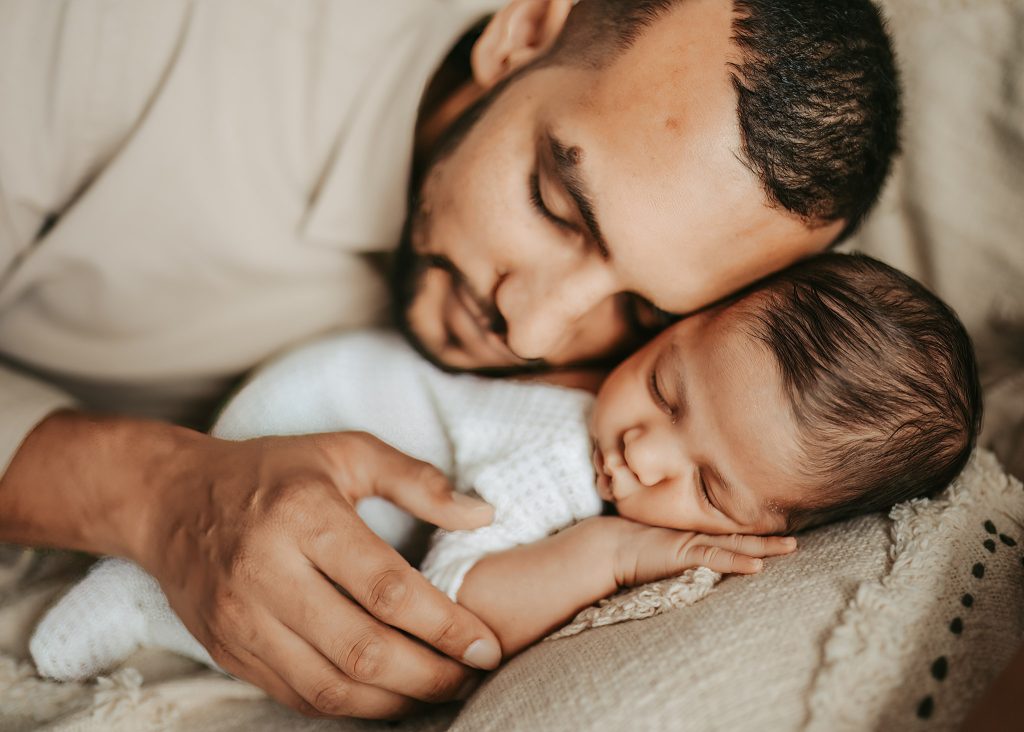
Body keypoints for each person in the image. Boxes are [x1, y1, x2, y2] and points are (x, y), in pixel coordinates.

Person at [0, 0, 900, 718]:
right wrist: (153, 495)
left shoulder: (621, 397)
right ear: (524, 33)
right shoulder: (126, 35)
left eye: (641, 310)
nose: (535, 334)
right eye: (556, 206)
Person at [29, 252, 981, 686]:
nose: (643, 453)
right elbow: (456, 604)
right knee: (306, 605)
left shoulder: (645, 439)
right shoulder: (561, 445)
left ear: (777, 532)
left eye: (708, 486)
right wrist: (604, 556)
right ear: (682, 322)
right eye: (664, 387)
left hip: (325, 422)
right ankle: (140, 599)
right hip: (291, 440)